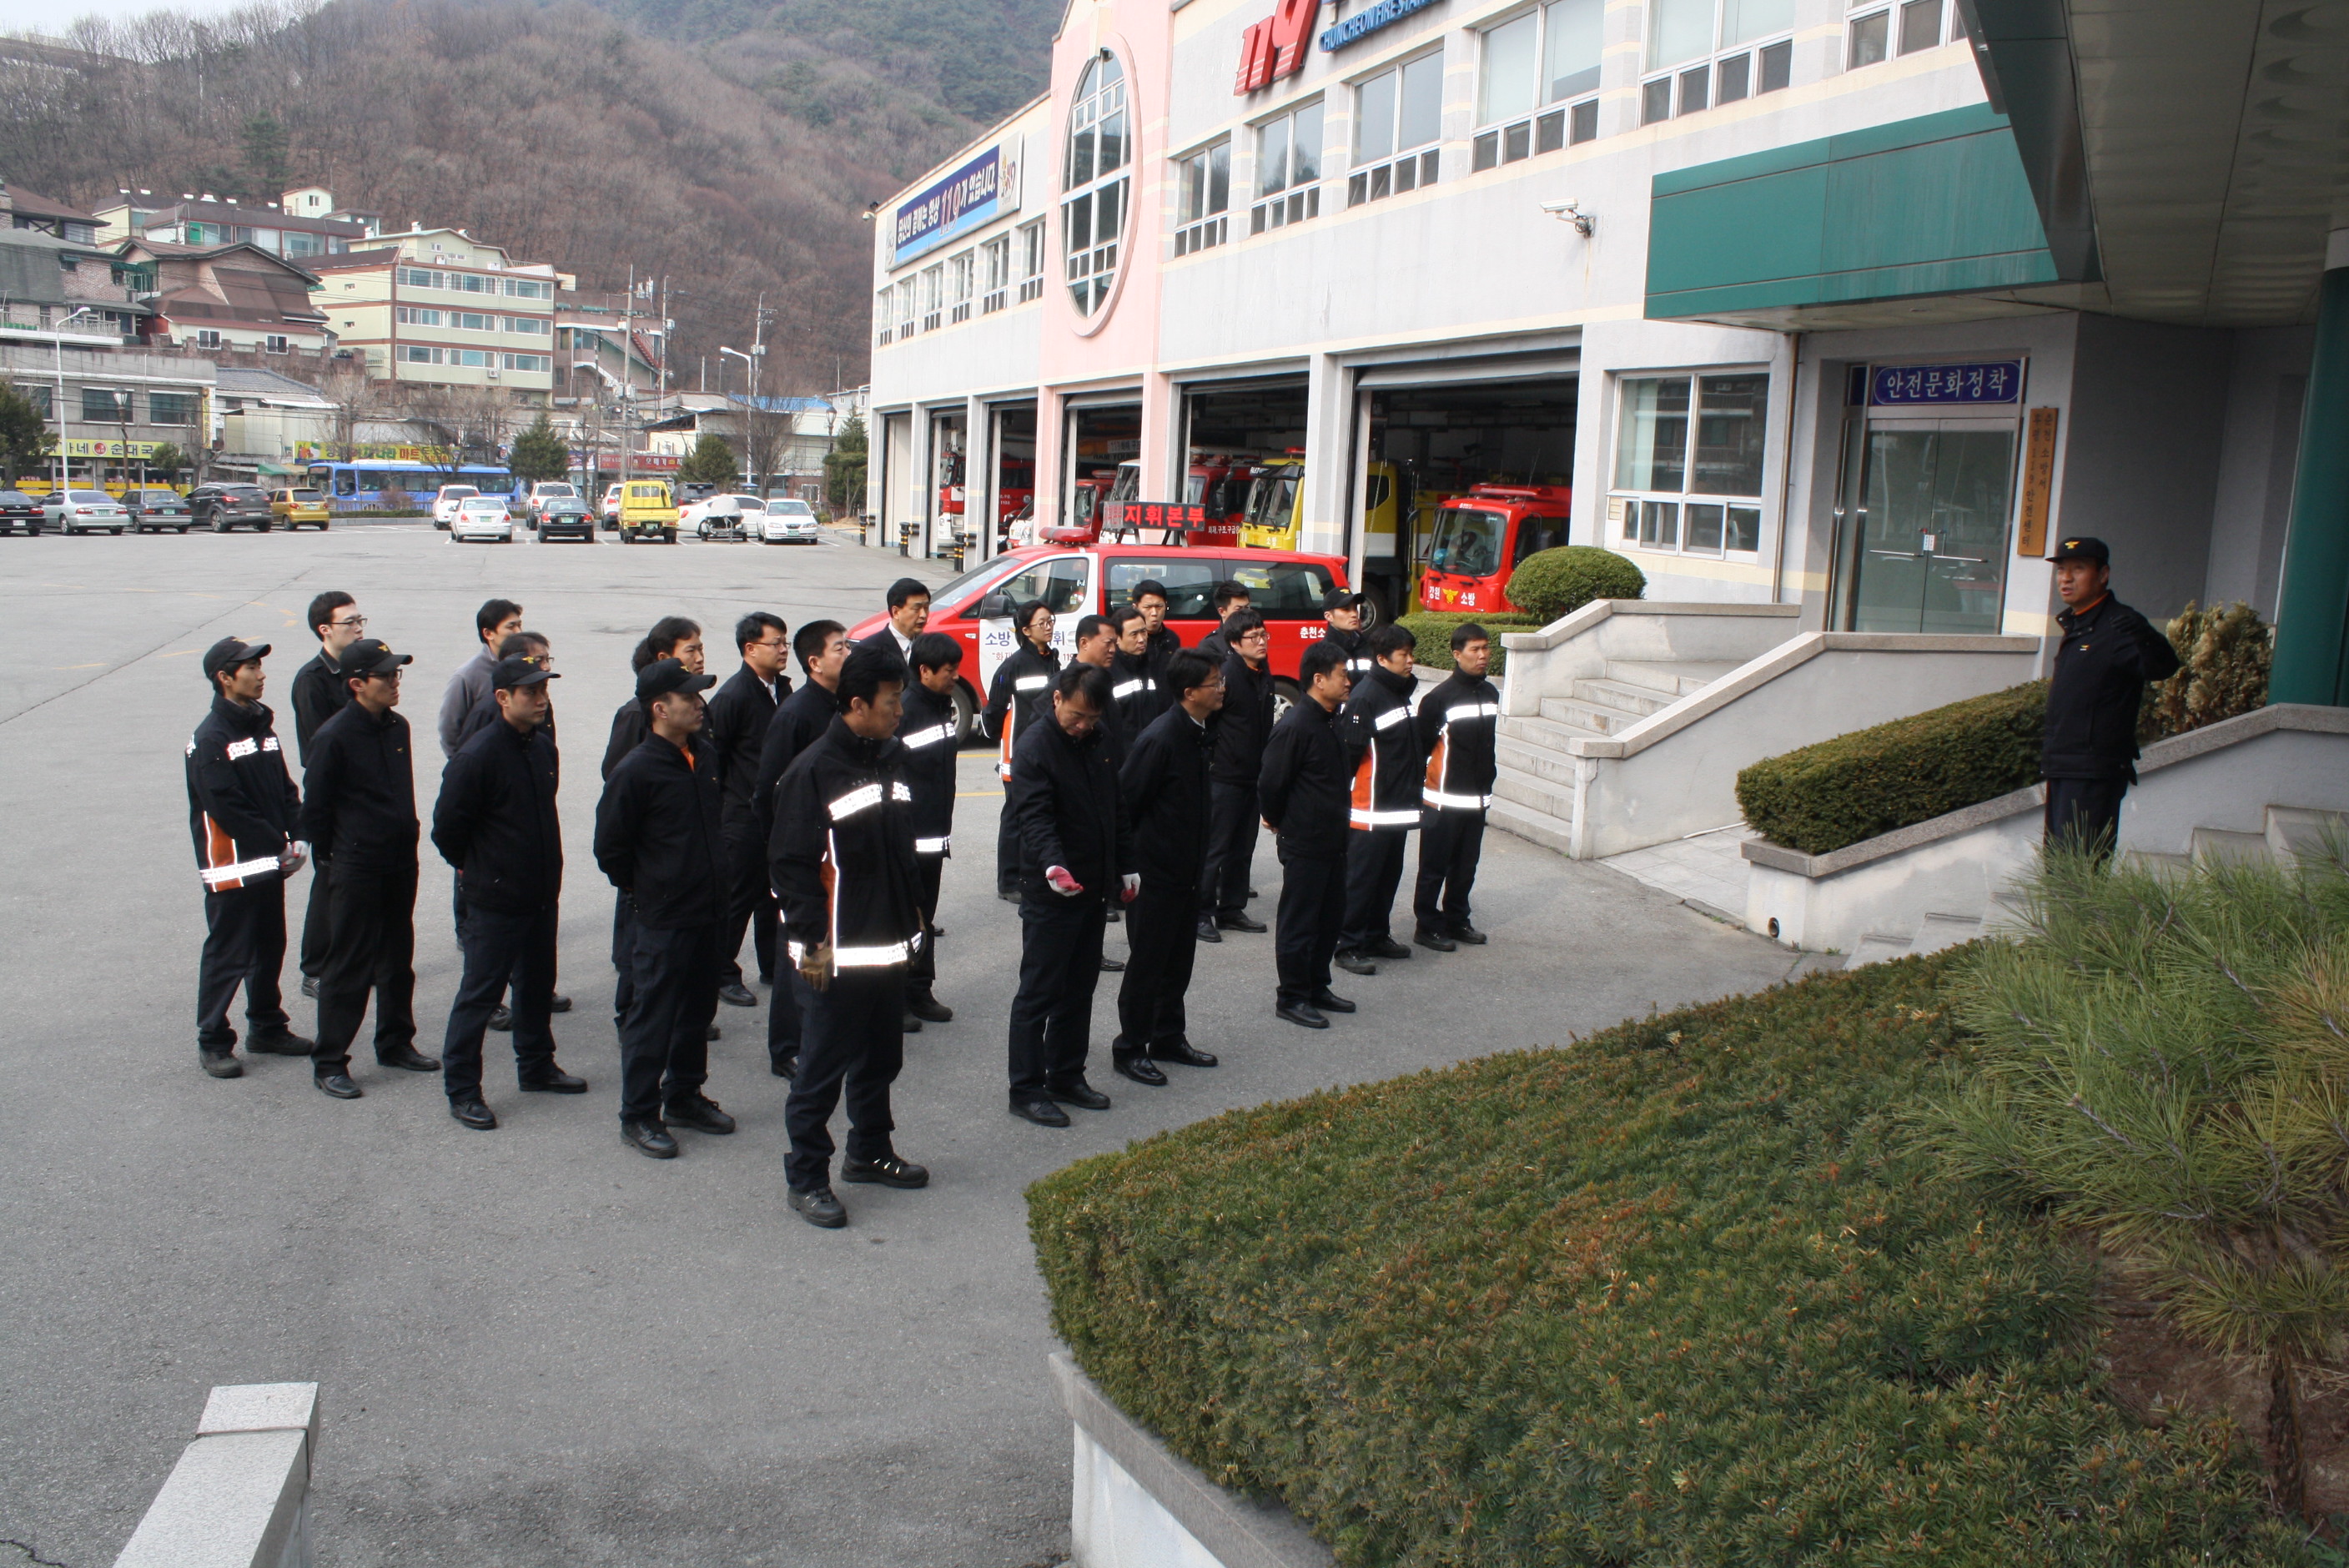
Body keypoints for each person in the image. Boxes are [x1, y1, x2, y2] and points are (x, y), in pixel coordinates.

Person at [772, 643, 933, 1228]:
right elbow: (790, 868)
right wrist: (813, 947)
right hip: (831, 957)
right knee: (819, 1072)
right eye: (891, 703)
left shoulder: (890, 757)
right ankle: (807, 1177)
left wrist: (915, 917)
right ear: (857, 704)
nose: (900, 712)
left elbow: (900, 849)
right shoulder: (813, 770)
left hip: (885, 947)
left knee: (880, 1061)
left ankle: (869, 1151)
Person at [430, 655, 585, 1129]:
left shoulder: (541, 748)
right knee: (480, 993)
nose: (541, 700)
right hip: (495, 898)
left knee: (536, 984)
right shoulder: (477, 756)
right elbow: (447, 830)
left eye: (544, 691)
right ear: (502, 698)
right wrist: (482, 869)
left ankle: (536, 1065)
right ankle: (462, 1089)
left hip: (539, 891)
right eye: (530, 692)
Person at [593, 658, 737, 1158]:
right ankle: (638, 1114)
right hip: (663, 916)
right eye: (689, 697)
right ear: (659, 709)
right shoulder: (636, 770)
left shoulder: (704, 755)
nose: (699, 704)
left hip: (708, 909)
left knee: (697, 1011)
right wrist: (650, 888)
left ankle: (684, 1095)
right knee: (653, 1016)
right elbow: (610, 849)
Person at [301, 638, 440, 1098]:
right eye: (387, 676)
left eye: (397, 673)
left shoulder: (397, 727)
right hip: (356, 866)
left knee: (398, 960)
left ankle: (395, 1041)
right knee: (349, 965)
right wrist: (336, 859)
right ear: (358, 684)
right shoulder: (334, 737)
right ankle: (330, 1061)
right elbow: (316, 811)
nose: (396, 683)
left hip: (398, 861)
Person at [1005, 663, 1131, 1128]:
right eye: (1076, 716)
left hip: (1093, 888)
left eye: (1092, 719)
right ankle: (1025, 1089)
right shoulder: (1035, 747)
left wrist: (1125, 864)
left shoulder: (1098, 739)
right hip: (1051, 891)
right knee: (1039, 992)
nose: (1083, 726)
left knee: (1080, 988)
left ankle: (1066, 1075)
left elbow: (1115, 807)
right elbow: (1035, 818)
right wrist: (1053, 866)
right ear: (1057, 699)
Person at [186, 637, 311, 1078]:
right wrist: (278, 844)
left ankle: (267, 1027)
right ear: (225, 677)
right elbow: (228, 806)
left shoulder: (262, 728)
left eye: (259, 666)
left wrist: (300, 835)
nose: (261, 674)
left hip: (269, 860)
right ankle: (213, 1039)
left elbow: (284, 789)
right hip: (232, 866)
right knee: (229, 953)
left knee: (269, 946)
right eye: (251, 668)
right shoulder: (209, 739)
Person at [1111, 652, 1224, 1086]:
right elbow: (1127, 805)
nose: (1221, 689)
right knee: (1148, 965)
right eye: (1214, 683)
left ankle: (1168, 1036)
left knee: (1178, 962)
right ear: (1189, 692)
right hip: (1155, 876)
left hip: (1186, 873)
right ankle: (1130, 1047)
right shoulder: (1160, 739)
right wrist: (1130, 868)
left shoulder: (1198, 732)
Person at [2040, 536, 2181, 861]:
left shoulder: (2119, 624)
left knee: (2080, 869)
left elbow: (2162, 667)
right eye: (2061, 570)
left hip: (2092, 770)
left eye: (2078, 569)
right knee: (2059, 869)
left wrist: (2146, 637)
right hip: (2063, 765)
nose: (2066, 578)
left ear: (2103, 575)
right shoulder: (2079, 623)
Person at [751, 619, 851, 1065]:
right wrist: (781, 852)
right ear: (815, 662)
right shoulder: (797, 714)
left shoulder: (841, 705)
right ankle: (786, 1049)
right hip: (799, 854)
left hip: (832, 854)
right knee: (794, 950)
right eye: (839, 649)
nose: (847, 655)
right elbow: (767, 792)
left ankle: (822, 1036)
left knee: (825, 950)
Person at [601, 618, 705, 1032]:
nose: (700, 656)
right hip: (654, 891)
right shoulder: (635, 724)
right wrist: (643, 878)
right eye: (691, 649)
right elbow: (614, 834)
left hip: (693, 893)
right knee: (643, 970)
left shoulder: (698, 736)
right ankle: (631, 1015)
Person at [1260, 641, 1355, 1029]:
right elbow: (1271, 783)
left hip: (1334, 840)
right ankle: (1293, 996)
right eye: (1342, 675)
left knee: (1329, 919)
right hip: (1305, 841)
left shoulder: (1332, 720)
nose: (1348, 682)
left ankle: (1317, 985)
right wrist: (1277, 819)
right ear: (1319, 679)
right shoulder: (1295, 725)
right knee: (1300, 922)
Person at [708, 611, 791, 1008]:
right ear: (750, 648)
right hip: (742, 817)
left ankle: (773, 965)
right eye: (776, 643)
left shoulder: (781, 689)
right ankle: (722, 972)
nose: (783, 650)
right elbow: (715, 759)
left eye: (785, 642)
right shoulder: (733, 697)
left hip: (775, 814)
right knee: (737, 898)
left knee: (772, 896)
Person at [1335, 624, 1427, 975]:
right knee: (1360, 880)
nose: (1410, 661)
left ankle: (1376, 935)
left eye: (1411, 653)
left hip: (1396, 808)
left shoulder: (1398, 692)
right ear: (1382, 659)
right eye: (1404, 655)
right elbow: (1349, 756)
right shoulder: (1366, 697)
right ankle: (1347, 944)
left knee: (1387, 877)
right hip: (1370, 809)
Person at [290, 592, 364, 1003]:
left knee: (362, 884)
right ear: (325, 630)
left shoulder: (359, 669)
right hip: (335, 799)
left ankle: (358, 959)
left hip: (366, 795)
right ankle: (315, 969)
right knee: (330, 883)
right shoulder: (312, 680)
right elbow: (315, 751)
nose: (358, 629)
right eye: (350, 622)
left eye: (360, 621)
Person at [1413, 623, 1501, 950]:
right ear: (1456, 654)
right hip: (1443, 799)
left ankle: (1457, 919)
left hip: (1476, 800)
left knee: (1466, 867)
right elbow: (1421, 748)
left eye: (1485, 648)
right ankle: (1426, 925)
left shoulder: (1491, 693)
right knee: (1434, 867)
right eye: (1474, 649)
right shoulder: (1438, 699)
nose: (1483, 655)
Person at [898, 631, 964, 1024]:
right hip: (909, 838)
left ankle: (920, 991)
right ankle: (897, 998)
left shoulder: (940, 707)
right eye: (949, 670)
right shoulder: (905, 710)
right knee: (904, 919)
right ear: (924, 671)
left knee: (924, 916)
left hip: (934, 838)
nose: (955, 676)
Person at [1200, 607, 1274, 941]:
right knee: (1215, 848)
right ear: (1234, 642)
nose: (1261, 642)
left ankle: (1231, 909)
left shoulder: (1263, 672)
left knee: (1242, 850)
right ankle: (1201, 913)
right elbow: (1207, 722)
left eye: (1263, 634)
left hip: (1252, 775)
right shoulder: (1226, 676)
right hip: (1224, 776)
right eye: (1253, 637)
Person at [982, 601, 1061, 900]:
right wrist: (1004, 740)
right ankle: (1009, 881)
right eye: (1042, 623)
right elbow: (993, 712)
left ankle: (1034, 873)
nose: (1049, 626)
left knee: (1041, 813)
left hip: (1046, 749)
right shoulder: (1012, 666)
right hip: (1017, 751)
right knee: (1015, 816)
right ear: (1026, 630)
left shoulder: (1052, 661)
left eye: (1051, 620)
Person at [437, 598, 524, 759]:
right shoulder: (466, 676)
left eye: (519, 625)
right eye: (511, 626)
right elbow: (449, 731)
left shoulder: (524, 666)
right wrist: (463, 765)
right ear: (488, 633)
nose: (518, 632)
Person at [1109, 606, 1168, 734]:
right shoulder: (1109, 672)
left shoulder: (1152, 664)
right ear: (1117, 638)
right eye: (1134, 634)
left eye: (1143, 632)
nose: (1141, 639)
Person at [1128, 579, 1183, 678]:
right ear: (1135, 608)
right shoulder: (1127, 640)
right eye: (1148, 607)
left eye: (1159, 607)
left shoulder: (1172, 638)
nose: (1154, 613)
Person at [1191, 582, 1254, 665]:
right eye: (1238, 609)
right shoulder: (1210, 645)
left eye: (1247, 608)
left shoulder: (1255, 638)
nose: (1245, 613)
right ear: (1222, 611)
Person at [1320, 590, 1376, 683]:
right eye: (1346, 609)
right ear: (1329, 616)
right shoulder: (1324, 653)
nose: (1354, 614)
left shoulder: (1366, 645)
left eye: (1355, 608)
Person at [882, 578, 929, 661]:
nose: (923, 615)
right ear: (896, 612)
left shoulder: (931, 647)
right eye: (916, 609)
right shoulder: (871, 650)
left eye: (926, 608)